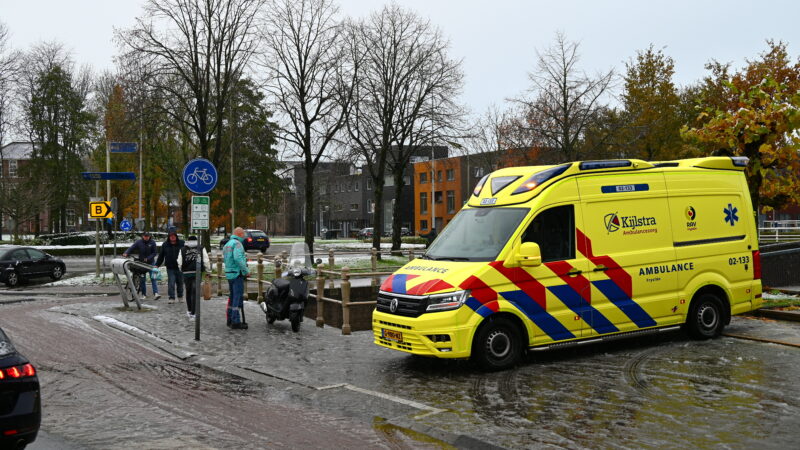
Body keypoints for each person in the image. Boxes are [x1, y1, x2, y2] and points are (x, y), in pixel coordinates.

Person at [177, 236, 211, 320]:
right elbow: (206, 260)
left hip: (186, 273)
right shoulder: (201, 248)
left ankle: (189, 310)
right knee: (195, 292)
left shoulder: (183, 249)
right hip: (197, 272)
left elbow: (179, 261)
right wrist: (207, 270)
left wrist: (182, 269)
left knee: (188, 292)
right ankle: (194, 312)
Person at [223, 227, 249, 329]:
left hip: (229, 274)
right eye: (243, 234)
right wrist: (246, 271)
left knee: (232, 297)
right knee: (237, 298)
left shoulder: (227, 244)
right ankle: (236, 321)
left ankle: (229, 318)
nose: (244, 236)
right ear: (239, 234)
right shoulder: (237, 244)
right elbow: (238, 258)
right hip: (237, 274)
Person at [122, 231, 160, 300]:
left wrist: (148, 258)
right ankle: (143, 294)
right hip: (141, 264)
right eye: (145, 236)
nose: (146, 238)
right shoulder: (139, 242)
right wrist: (126, 252)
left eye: (147, 236)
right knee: (142, 279)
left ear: (149, 236)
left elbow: (155, 253)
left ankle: (156, 293)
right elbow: (131, 248)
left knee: (154, 278)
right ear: (143, 236)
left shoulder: (152, 242)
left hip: (151, 263)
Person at [156, 226, 185, 304]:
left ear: (176, 236)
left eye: (173, 235)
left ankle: (180, 296)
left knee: (180, 282)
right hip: (170, 267)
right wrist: (157, 264)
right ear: (169, 236)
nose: (172, 237)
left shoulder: (182, 243)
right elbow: (161, 255)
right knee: (171, 283)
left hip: (180, 267)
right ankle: (171, 297)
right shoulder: (165, 244)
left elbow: (185, 254)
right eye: (171, 236)